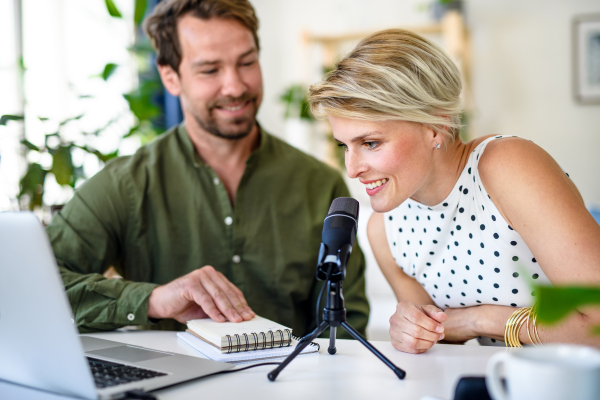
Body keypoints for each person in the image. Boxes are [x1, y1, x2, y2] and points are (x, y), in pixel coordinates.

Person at [47, 0, 369, 338]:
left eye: (246, 63)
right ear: (170, 77)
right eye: (210, 70)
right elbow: (34, 287)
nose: (235, 86)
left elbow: (344, 326)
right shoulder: (124, 185)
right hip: (168, 389)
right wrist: (153, 300)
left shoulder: (319, 184)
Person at [307, 28, 600, 353]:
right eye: (343, 146)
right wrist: (412, 331)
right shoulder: (385, 230)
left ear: (435, 126)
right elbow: (439, 338)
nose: (352, 168)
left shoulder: (507, 166)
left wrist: (481, 320)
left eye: (371, 143)